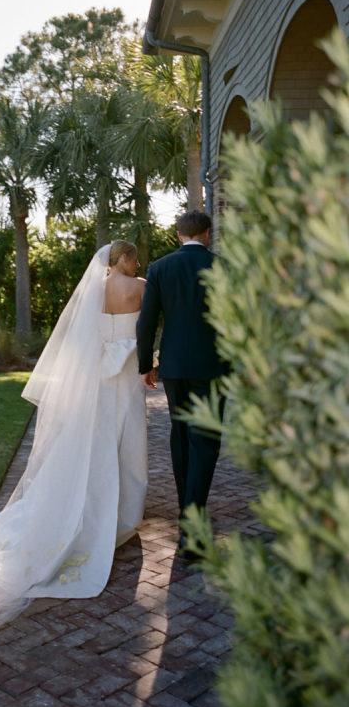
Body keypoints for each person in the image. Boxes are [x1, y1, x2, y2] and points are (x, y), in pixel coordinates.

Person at [0, 240, 148, 640]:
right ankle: (122, 514)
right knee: (125, 435)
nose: (138, 263)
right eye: (134, 258)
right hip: (127, 372)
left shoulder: (92, 290)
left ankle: (88, 504)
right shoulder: (141, 287)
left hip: (98, 376)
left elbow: (83, 339)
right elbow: (147, 326)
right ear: (124, 259)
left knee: (93, 439)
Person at [136, 211, 225, 549]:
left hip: (173, 366)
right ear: (207, 233)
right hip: (212, 367)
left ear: (178, 235)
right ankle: (192, 523)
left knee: (182, 438)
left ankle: (189, 516)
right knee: (206, 441)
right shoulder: (223, 268)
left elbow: (146, 323)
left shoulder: (160, 268)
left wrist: (146, 365)